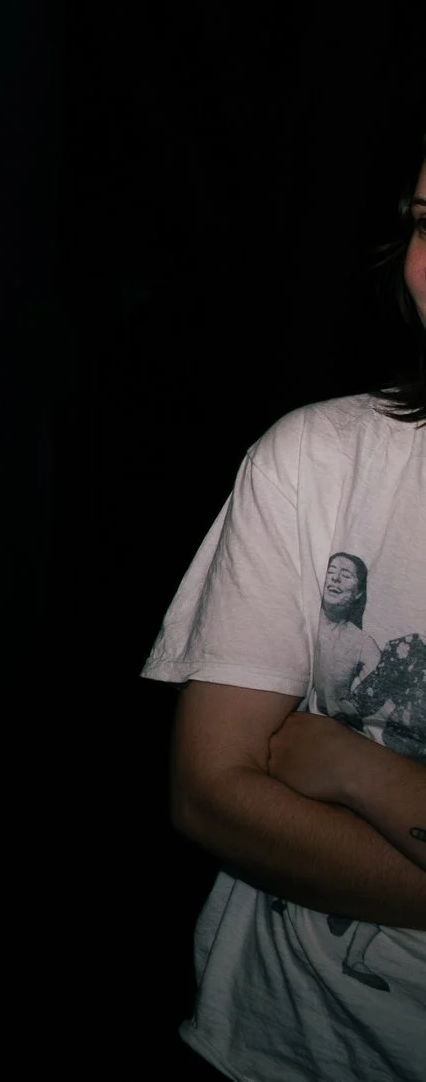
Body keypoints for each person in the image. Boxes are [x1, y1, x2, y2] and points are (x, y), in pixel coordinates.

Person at [150, 145, 426, 1077]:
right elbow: (209, 789)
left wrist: (360, 772)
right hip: (274, 1047)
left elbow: (284, 770)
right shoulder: (316, 460)